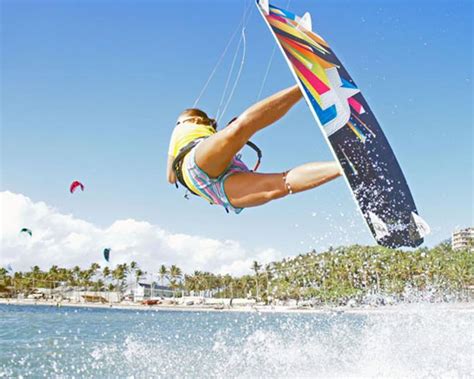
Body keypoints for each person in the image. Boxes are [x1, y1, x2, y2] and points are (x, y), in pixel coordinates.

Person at [167, 84, 342, 214]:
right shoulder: (187, 129)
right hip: (205, 175)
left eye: (179, 121)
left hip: (210, 187)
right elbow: (172, 176)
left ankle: (342, 167)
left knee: (281, 184)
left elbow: (171, 177)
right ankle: (305, 87)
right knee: (276, 183)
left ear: (195, 120)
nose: (177, 124)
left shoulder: (187, 128)